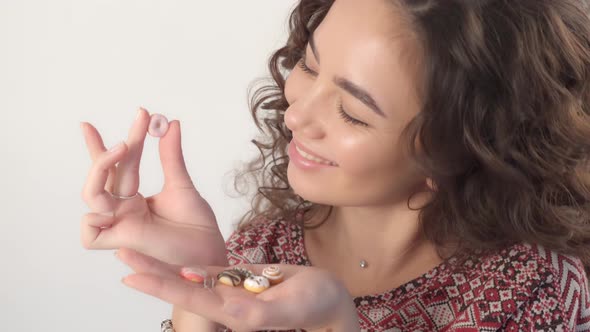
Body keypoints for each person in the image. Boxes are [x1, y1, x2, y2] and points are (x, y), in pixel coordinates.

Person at [80, 0, 590, 330]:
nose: (296, 112)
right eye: (309, 63)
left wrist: (336, 323)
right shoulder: (264, 248)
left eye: (352, 112)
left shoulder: (528, 294)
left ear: (456, 152)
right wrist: (208, 274)